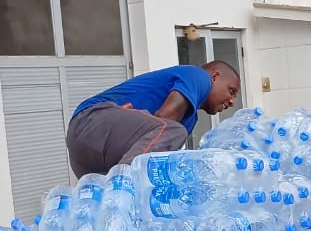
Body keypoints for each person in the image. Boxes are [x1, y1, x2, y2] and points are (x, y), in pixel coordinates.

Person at [66, 60, 240, 178]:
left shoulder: (190, 119)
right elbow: (164, 119)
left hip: (92, 159)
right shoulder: (199, 76)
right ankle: (121, 184)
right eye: (231, 91)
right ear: (214, 77)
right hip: (91, 121)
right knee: (173, 131)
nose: (232, 102)